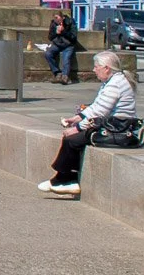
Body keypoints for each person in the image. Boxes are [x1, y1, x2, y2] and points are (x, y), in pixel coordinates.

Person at [38, 50, 137, 197]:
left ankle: (66, 179)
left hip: (118, 129)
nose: (94, 70)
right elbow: (96, 107)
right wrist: (77, 118)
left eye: (96, 67)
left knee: (72, 139)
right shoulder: (112, 81)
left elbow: (99, 113)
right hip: (113, 125)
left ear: (106, 68)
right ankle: (64, 178)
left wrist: (77, 128)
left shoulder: (115, 84)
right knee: (73, 137)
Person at [44, 11, 83, 84]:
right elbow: (50, 37)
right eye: (55, 18)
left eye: (57, 18)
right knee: (48, 54)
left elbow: (73, 37)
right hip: (57, 44)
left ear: (62, 17)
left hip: (68, 44)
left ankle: (65, 76)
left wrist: (63, 31)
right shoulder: (53, 23)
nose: (56, 20)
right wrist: (55, 33)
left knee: (66, 58)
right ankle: (57, 73)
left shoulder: (70, 22)